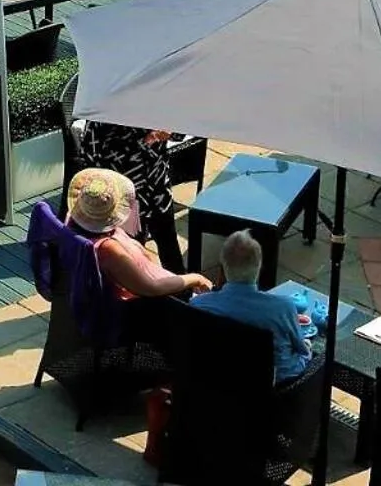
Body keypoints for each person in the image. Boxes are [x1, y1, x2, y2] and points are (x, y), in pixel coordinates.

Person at [66, 168, 211, 303]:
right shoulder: (109, 250)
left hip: (154, 285)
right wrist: (195, 278)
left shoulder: (75, 221)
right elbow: (152, 288)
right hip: (146, 305)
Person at [190, 231, 315, 384]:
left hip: (218, 384)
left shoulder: (198, 306)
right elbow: (301, 349)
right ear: (259, 266)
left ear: (223, 266)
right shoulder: (283, 308)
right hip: (276, 392)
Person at [84, 120, 185, 272]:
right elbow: (91, 157)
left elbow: (180, 133)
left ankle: (182, 292)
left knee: (168, 242)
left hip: (157, 188)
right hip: (126, 196)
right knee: (132, 256)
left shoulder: (161, 101)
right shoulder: (103, 114)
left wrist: (170, 129)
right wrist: (146, 140)